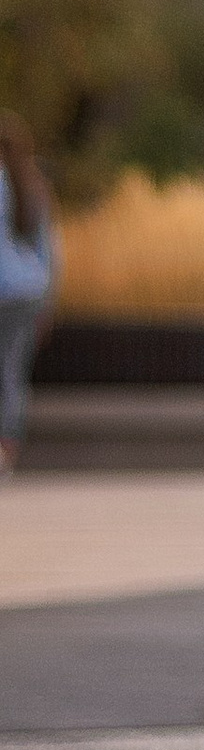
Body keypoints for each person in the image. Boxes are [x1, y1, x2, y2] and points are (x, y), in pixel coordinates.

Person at [0, 118, 59, 479]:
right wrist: (48, 301)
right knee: (12, 373)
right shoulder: (32, 185)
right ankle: (7, 447)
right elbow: (49, 250)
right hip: (28, 290)